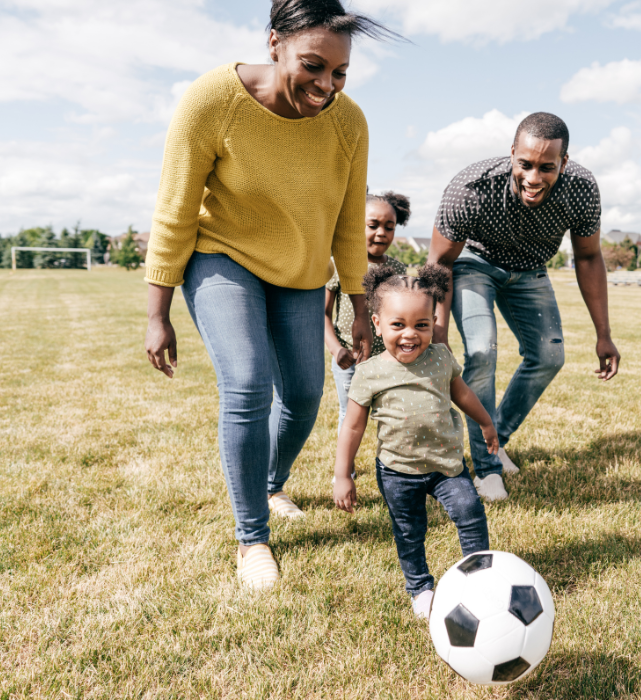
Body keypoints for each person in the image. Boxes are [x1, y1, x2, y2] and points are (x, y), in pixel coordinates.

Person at [143, 0, 401, 590]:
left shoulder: (348, 122)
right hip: (221, 256)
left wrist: (361, 308)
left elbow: (345, 222)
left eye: (339, 74)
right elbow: (176, 208)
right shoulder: (213, 100)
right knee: (248, 382)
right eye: (313, 66)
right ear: (273, 43)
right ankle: (251, 537)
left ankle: (270, 482)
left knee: (306, 395)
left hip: (302, 273)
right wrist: (157, 312)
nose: (325, 85)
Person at [427, 112, 621, 502]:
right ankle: (486, 470)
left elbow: (587, 257)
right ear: (512, 153)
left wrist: (604, 334)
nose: (534, 178)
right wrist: (439, 333)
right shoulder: (472, 186)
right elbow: (439, 263)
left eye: (547, 168)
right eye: (525, 164)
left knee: (549, 356)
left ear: (564, 163)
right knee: (481, 351)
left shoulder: (581, 189)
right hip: (473, 265)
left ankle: (495, 440)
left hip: (531, 269)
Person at [333, 265, 498, 619]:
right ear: (377, 323)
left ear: (434, 321)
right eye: (398, 325)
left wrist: (485, 421)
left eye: (422, 325)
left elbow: (462, 393)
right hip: (398, 471)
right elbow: (352, 427)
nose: (411, 335)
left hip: (446, 466)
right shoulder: (369, 372)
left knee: (470, 512)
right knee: (409, 532)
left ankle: (479, 577)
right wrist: (342, 474)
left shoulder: (440, 357)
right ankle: (420, 587)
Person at [325, 191, 410, 432]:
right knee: (350, 413)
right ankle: (344, 468)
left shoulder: (397, 269)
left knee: (393, 413)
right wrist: (336, 349)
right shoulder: (340, 264)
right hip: (350, 359)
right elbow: (323, 314)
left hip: (389, 359)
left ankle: (394, 464)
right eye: (372, 225)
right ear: (354, 225)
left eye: (389, 227)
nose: (381, 232)